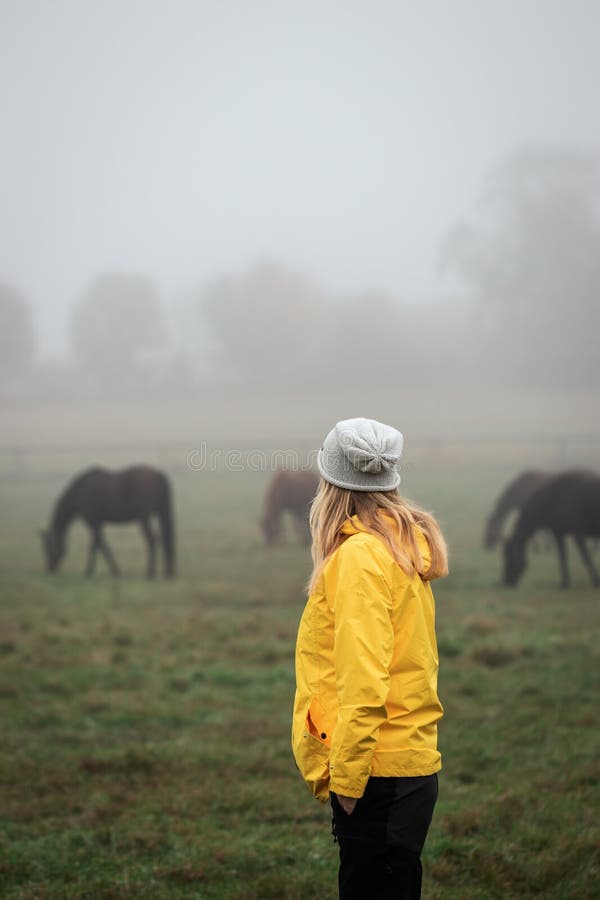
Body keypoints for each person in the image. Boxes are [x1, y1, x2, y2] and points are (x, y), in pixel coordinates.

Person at [292, 417, 448, 900]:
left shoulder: (360, 558)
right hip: (409, 769)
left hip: (376, 776)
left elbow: (365, 682)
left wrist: (349, 782)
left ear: (331, 483)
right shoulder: (399, 547)